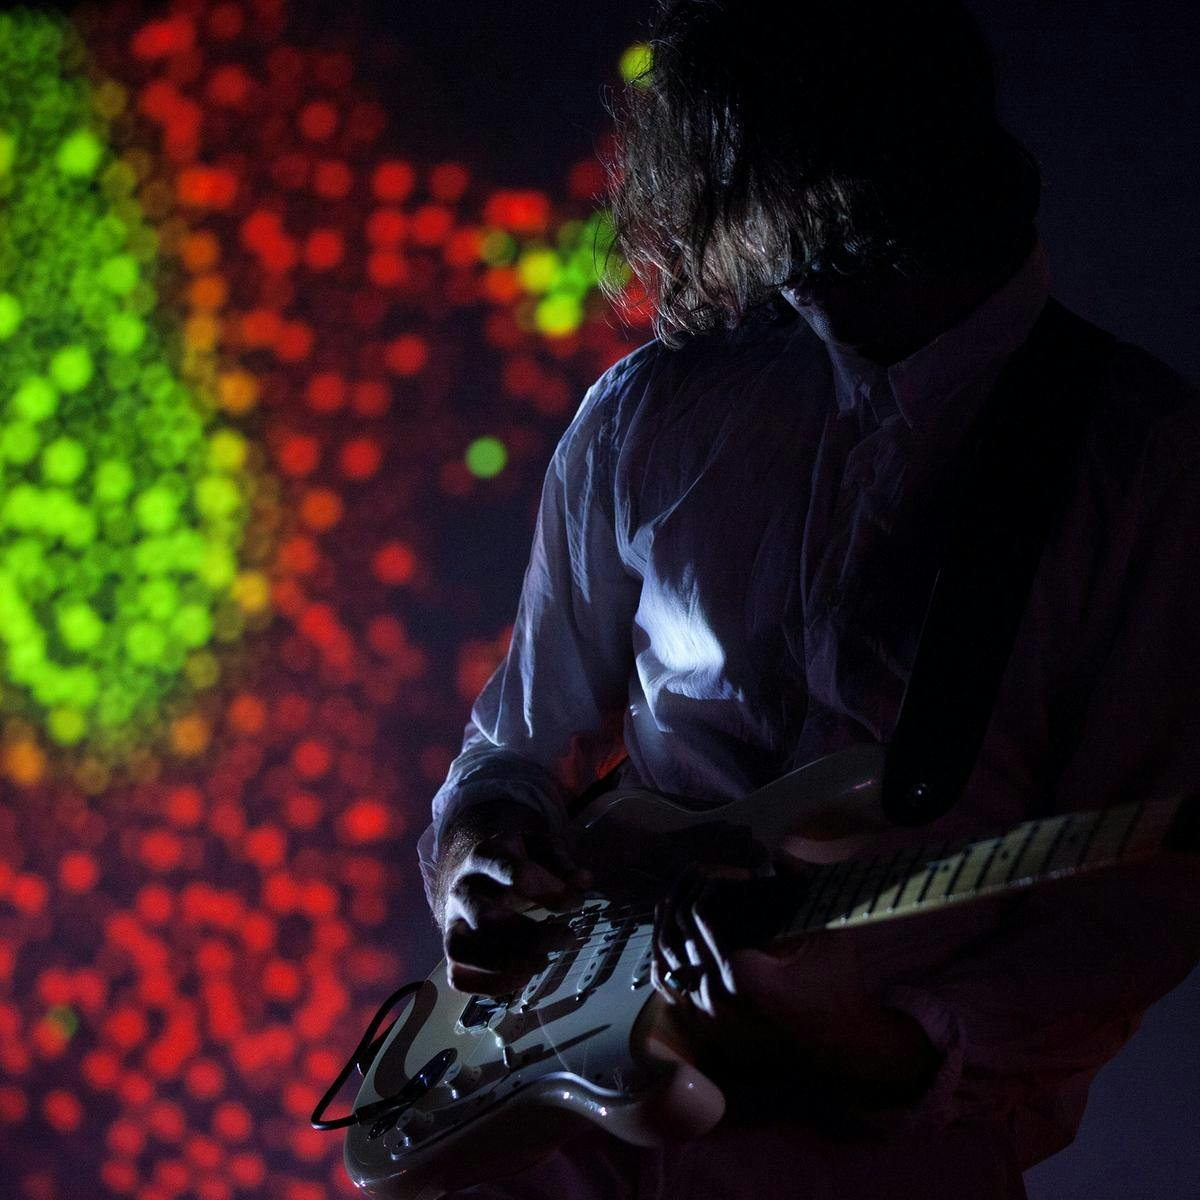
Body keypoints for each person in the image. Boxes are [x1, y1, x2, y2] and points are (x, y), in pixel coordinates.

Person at [415, 2, 1200, 1195]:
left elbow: (1143, 896)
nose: (671, 226)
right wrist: (483, 848)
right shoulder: (649, 412)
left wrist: (895, 1057)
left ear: (828, 173)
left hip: (874, 1162)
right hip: (561, 1138)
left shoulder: (1143, 464)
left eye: (714, 169)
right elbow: (513, 746)